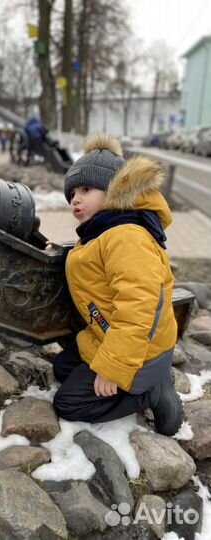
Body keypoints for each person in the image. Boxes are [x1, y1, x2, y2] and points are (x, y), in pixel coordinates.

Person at [48, 133, 183, 436]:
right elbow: (92, 263)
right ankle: (138, 381)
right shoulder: (104, 231)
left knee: (68, 404)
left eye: (85, 189)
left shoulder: (126, 237)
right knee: (63, 368)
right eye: (71, 194)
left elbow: (139, 309)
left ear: (115, 191)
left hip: (141, 349)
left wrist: (112, 368)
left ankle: (152, 392)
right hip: (114, 336)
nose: (75, 199)